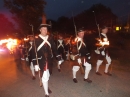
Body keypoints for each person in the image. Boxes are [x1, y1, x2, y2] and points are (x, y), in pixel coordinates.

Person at [31, 24, 62, 97]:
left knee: (47, 75)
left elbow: (54, 49)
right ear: (40, 30)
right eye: (43, 29)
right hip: (41, 61)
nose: (45, 30)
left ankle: (46, 85)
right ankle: (46, 93)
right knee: (45, 76)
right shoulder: (36, 40)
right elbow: (33, 52)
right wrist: (35, 64)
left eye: (46, 29)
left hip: (49, 60)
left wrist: (59, 58)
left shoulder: (50, 38)